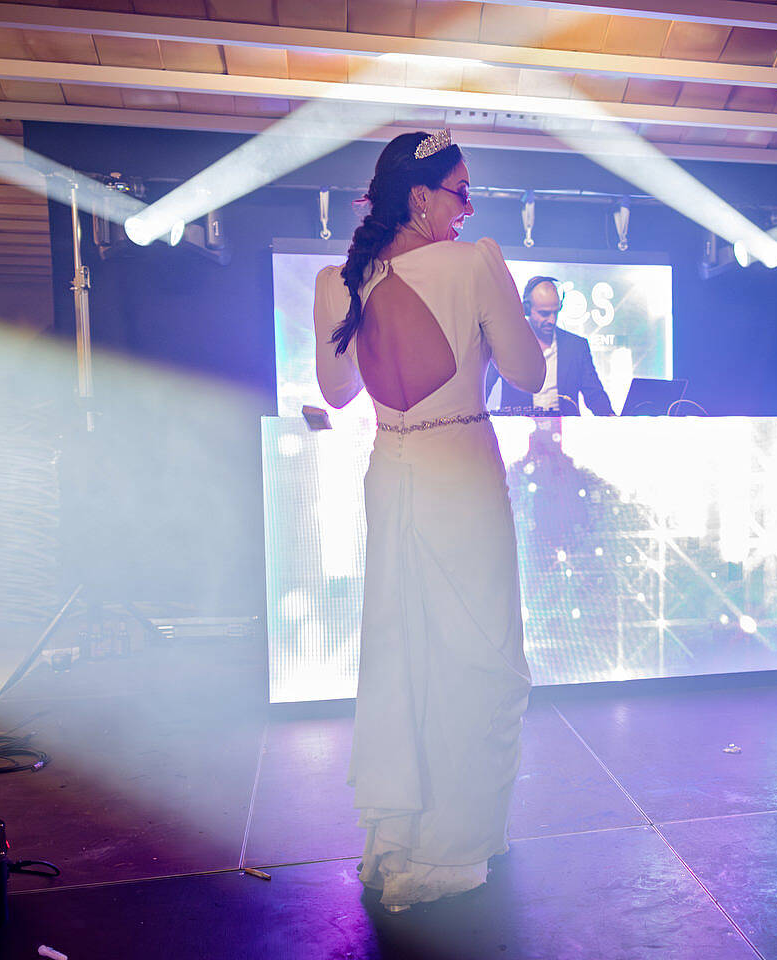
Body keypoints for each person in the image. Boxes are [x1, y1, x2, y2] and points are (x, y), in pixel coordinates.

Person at [312, 130, 545, 909]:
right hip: (462, 469)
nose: (468, 207)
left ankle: (398, 840)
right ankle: (456, 845)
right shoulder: (475, 263)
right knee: (480, 659)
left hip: (392, 469)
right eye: (461, 191)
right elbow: (529, 371)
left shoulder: (338, 281)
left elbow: (337, 392)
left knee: (402, 654)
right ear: (420, 198)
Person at [487, 276, 615, 415]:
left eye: (556, 312)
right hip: (521, 427)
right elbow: (483, 388)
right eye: (545, 314)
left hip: (565, 427)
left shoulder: (577, 346)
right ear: (526, 310)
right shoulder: (506, 345)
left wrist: (611, 418)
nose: (552, 320)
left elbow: (594, 395)